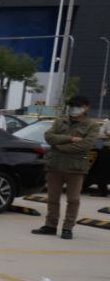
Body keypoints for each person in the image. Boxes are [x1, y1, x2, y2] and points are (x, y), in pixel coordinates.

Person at [32, 96, 99, 240]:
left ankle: (68, 228)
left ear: (87, 107)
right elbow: (49, 136)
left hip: (75, 168)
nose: (74, 109)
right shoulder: (60, 121)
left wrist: (59, 146)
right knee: (52, 198)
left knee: (73, 199)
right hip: (55, 165)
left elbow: (85, 145)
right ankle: (50, 225)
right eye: (72, 106)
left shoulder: (92, 125)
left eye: (78, 106)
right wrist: (69, 139)